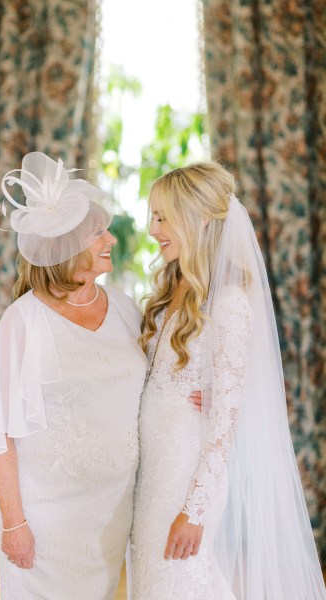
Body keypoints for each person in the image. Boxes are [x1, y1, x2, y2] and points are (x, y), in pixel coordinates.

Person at [130, 162, 326, 599]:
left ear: (199, 219)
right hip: (153, 473)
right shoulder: (173, 286)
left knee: (179, 582)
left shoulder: (230, 301)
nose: (153, 228)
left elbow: (224, 427)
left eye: (163, 217)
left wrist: (195, 511)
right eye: (153, 216)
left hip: (187, 476)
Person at [0, 152, 148, 599]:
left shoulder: (127, 309)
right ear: (67, 245)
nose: (111, 238)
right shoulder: (22, 322)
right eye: (99, 233)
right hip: (45, 522)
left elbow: (152, 388)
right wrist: (14, 524)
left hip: (109, 515)